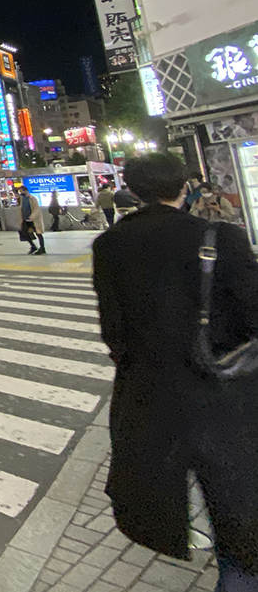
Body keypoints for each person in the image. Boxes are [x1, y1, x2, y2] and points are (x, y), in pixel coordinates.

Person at [92, 154, 258, 588]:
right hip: (223, 393)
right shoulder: (221, 236)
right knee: (238, 508)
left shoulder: (110, 244)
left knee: (166, 495)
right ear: (184, 186)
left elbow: (114, 332)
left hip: (149, 394)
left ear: (132, 189)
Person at [18, 186, 47, 255]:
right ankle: (33, 246)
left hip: (33, 220)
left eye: (22, 191)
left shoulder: (32, 198)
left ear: (26, 191)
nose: (21, 193)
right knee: (24, 233)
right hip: (25, 219)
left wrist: (32, 216)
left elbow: (36, 209)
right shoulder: (22, 199)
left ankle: (42, 248)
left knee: (38, 233)